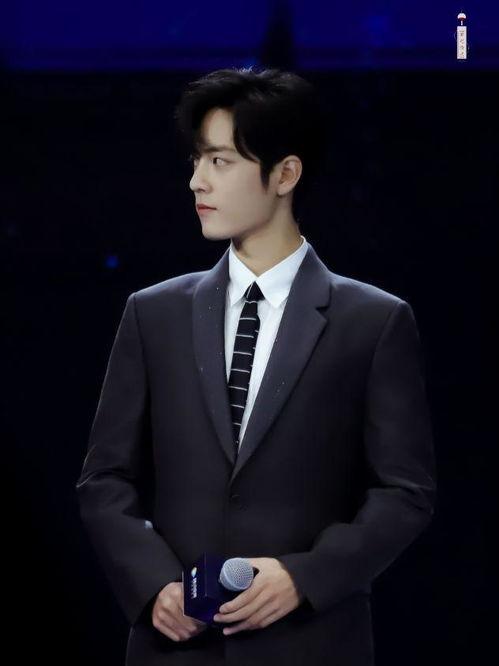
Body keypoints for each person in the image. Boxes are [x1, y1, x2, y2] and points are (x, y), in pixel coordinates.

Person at [75, 66, 437, 666]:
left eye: (220, 161)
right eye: (197, 160)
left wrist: (306, 577)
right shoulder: (153, 313)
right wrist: (154, 586)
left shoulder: (373, 321)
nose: (196, 181)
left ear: (285, 174)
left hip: (311, 644)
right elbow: (105, 479)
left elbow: (406, 493)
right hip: (175, 647)